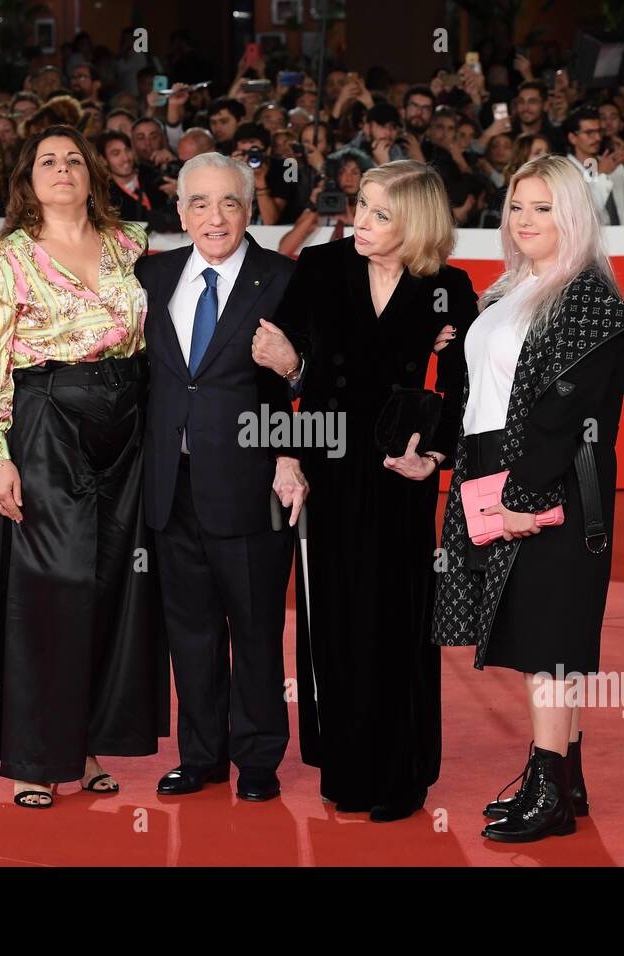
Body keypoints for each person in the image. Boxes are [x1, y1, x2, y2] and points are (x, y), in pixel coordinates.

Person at [431, 155, 624, 843]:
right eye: (517, 206)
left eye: (543, 208)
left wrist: (525, 493)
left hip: (554, 484)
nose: (524, 220)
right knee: (532, 634)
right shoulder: (509, 290)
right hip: (498, 469)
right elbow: (477, 398)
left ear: (575, 215)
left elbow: (570, 412)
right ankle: (565, 779)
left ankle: (549, 789)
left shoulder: (587, 301)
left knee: (551, 638)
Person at [259, 160, 478, 822]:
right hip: (326, 467)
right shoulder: (322, 271)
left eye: (381, 213)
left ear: (417, 223)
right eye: (361, 206)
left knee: (398, 616)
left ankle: (401, 770)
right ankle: (347, 766)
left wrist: (436, 458)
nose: (361, 221)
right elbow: (271, 364)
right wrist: (284, 457)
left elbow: (462, 387)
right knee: (335, 613)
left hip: (400, 473)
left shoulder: (447, 288)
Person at [0, 124, 170, 808]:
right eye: (47, 161)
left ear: (93, 176)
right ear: (26, 180)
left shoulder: (133, 245)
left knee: (114, 582)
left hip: (129, 427)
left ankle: (83, 745)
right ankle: (34, 755)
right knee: (52, 582)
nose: (62, 170)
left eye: (74, 160)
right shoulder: (9, 260)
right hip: (47, 422)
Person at [133, 152, 308, 803]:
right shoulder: (152, 277)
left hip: (253, 488)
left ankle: (258, 757)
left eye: (229, 202)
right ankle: (201, 754)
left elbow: (315, 381)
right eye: (199, 203)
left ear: (250, 207)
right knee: (191, 630)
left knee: (257, 629)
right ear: (181, 213)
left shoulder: (286, 279)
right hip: (170, 487)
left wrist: (293, 376)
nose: (214, 216)